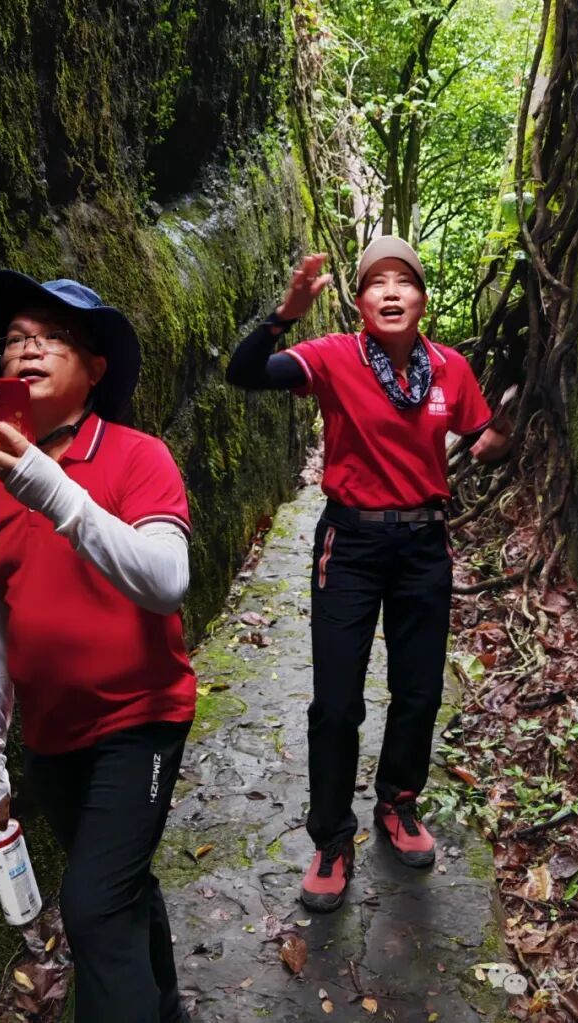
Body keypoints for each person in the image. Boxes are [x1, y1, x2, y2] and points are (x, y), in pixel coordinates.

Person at [226, 237, 512, 912]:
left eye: (403, 281)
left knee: (419, 690)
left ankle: (398, 801)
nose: (390, 291)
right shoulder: (331, 357)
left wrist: (505, 429)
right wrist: (284, 314)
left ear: (422, 299)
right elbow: (245, 373)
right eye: (375, 282)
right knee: (336, 701)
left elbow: (484, 442)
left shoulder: (450, 368)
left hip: (423, 545)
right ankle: (331, 837)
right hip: (350, 543)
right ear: (359, 302)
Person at [0, 270, 195, 1023]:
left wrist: (53, 489)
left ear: (95, 368)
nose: (27, 349)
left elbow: (166, 580)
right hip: (52, 739)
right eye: (14, 340)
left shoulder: (139, 456)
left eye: (51, 336)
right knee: (121, 887)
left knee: (92, 905)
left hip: (141, 719)